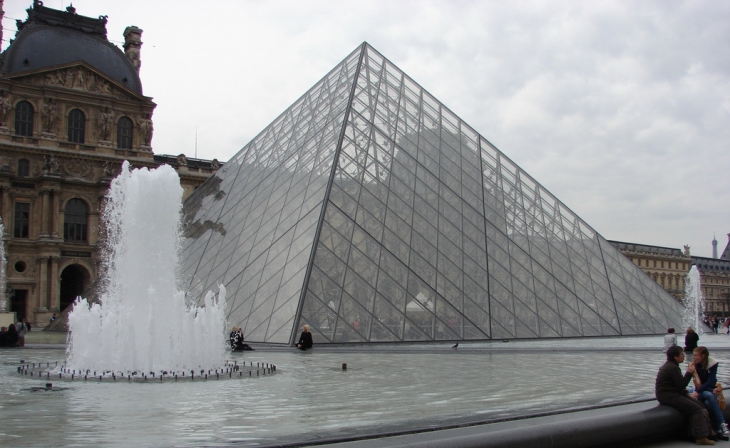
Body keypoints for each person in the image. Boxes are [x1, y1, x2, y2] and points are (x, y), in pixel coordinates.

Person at [655, 345, 716, 445]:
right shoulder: (672, 368)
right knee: (697, 409)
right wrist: (689, 373)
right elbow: (681, 385)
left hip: (671, 393)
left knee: (700, 406)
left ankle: (697, 434)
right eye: (682, 354)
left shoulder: (671, 366)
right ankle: (700, 437)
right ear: (675, 357)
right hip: (669, 396)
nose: (683, 356)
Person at [693, 346, 729, 437]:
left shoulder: (712, 364)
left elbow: (711, 381)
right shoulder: (694, 365)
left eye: (695, 355)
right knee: (709, 395)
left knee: (708, 402)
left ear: (703, 356)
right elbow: (699, 384)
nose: (693, 358)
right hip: (701, 391)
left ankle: (717, 428)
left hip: (704, 390)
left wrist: (710, 389)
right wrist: (702, 390)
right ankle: (721, 424)